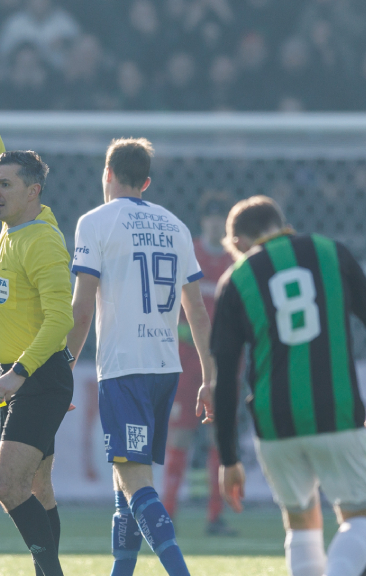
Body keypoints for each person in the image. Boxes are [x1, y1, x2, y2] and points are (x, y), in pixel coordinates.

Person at [211, 195, 366, 576]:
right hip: (335, 410)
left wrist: (229, 458)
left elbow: (225, 381)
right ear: (282, 225)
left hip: (274, 422)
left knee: (300, 522)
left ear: (241, 243)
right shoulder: (330, 253)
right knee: (361, 515)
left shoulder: (237, 279)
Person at [66, 137, 213, 576]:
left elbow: (82, 307)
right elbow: (198, 310)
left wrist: (63, 368)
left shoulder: (94, 222)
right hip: (166, 368)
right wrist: (210, 375)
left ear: (106, 174)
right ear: (146, 182)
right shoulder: (176, 226)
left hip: (125, 368)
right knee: (125, 484)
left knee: (134, 482)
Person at [0, 49, 73, 576]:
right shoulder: (13, 222)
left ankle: (48, 573)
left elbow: (61, 321)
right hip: (25, 378)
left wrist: (19, 373)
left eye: (4, 185)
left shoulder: (43, 243)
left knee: (6, 487)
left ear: (34, 193)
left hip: (36, 378)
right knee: (39, 485)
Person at [163, 192, 237, 536]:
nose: (215, 223)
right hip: (186, 362)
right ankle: (168, 513)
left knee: (218, 442)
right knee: (178, 439)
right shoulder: (187, 252)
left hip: (223, 364)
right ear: (203, 221)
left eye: (221, 217)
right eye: (211, 217)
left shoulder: (237, 261)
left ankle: (214, 516)